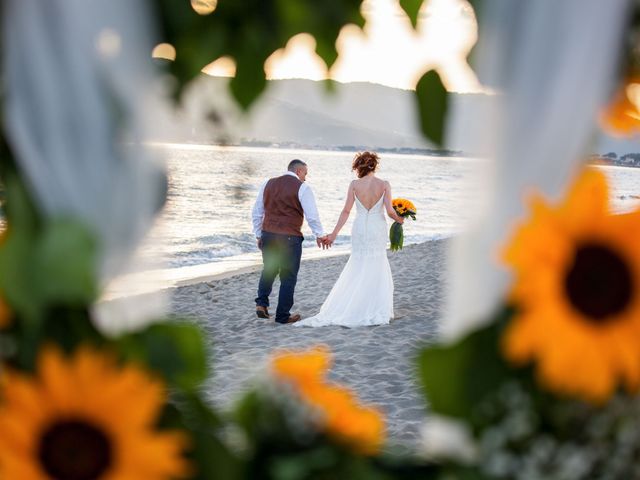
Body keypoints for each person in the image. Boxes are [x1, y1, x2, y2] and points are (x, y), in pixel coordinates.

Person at [295, 151, 404, 328]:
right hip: (377, 227)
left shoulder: (354, 185)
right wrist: (400, 220)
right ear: (374, 166)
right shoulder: (384, 184)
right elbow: (390, 211)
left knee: (358, 262)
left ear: (359, 167)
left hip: (360, 228)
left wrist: (334, 234)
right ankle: (373, 306)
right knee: (377, 261)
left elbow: (346, 211)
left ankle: (354, 304)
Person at [252, 159, 329, 324]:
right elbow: (312, 216)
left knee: (269, 269)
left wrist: (259, 234)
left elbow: (257, 211)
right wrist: (319, 234)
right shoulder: (303, 187)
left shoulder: (267, 183)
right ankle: (282, 316)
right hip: (289, 238)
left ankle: (261, 304)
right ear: (299, 171)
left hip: (268, 235)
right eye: (305, 174)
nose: (305, 178)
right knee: (288, 277)